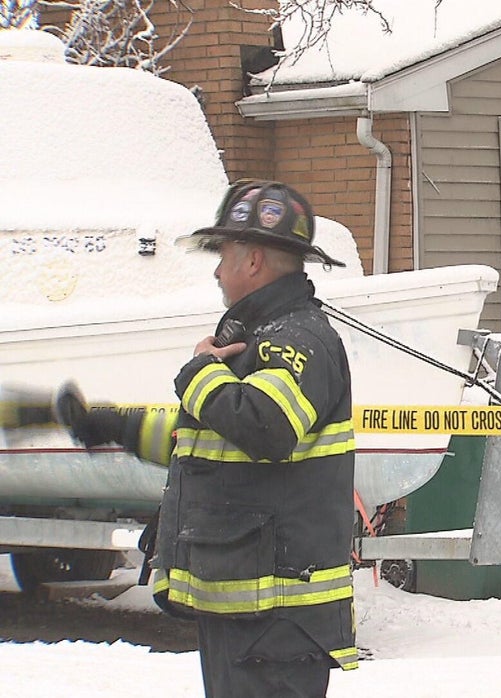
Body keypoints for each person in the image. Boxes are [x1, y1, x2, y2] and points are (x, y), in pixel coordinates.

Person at [56, 180, 357, 697]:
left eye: (223, 255)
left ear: (254, 260)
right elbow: (206, 441)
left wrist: (200, 371)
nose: (217, 271)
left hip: (278, 618)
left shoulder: (297, 340)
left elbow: (265, 427)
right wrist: (113, 426)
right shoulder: (256, 339)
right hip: (251, 610)